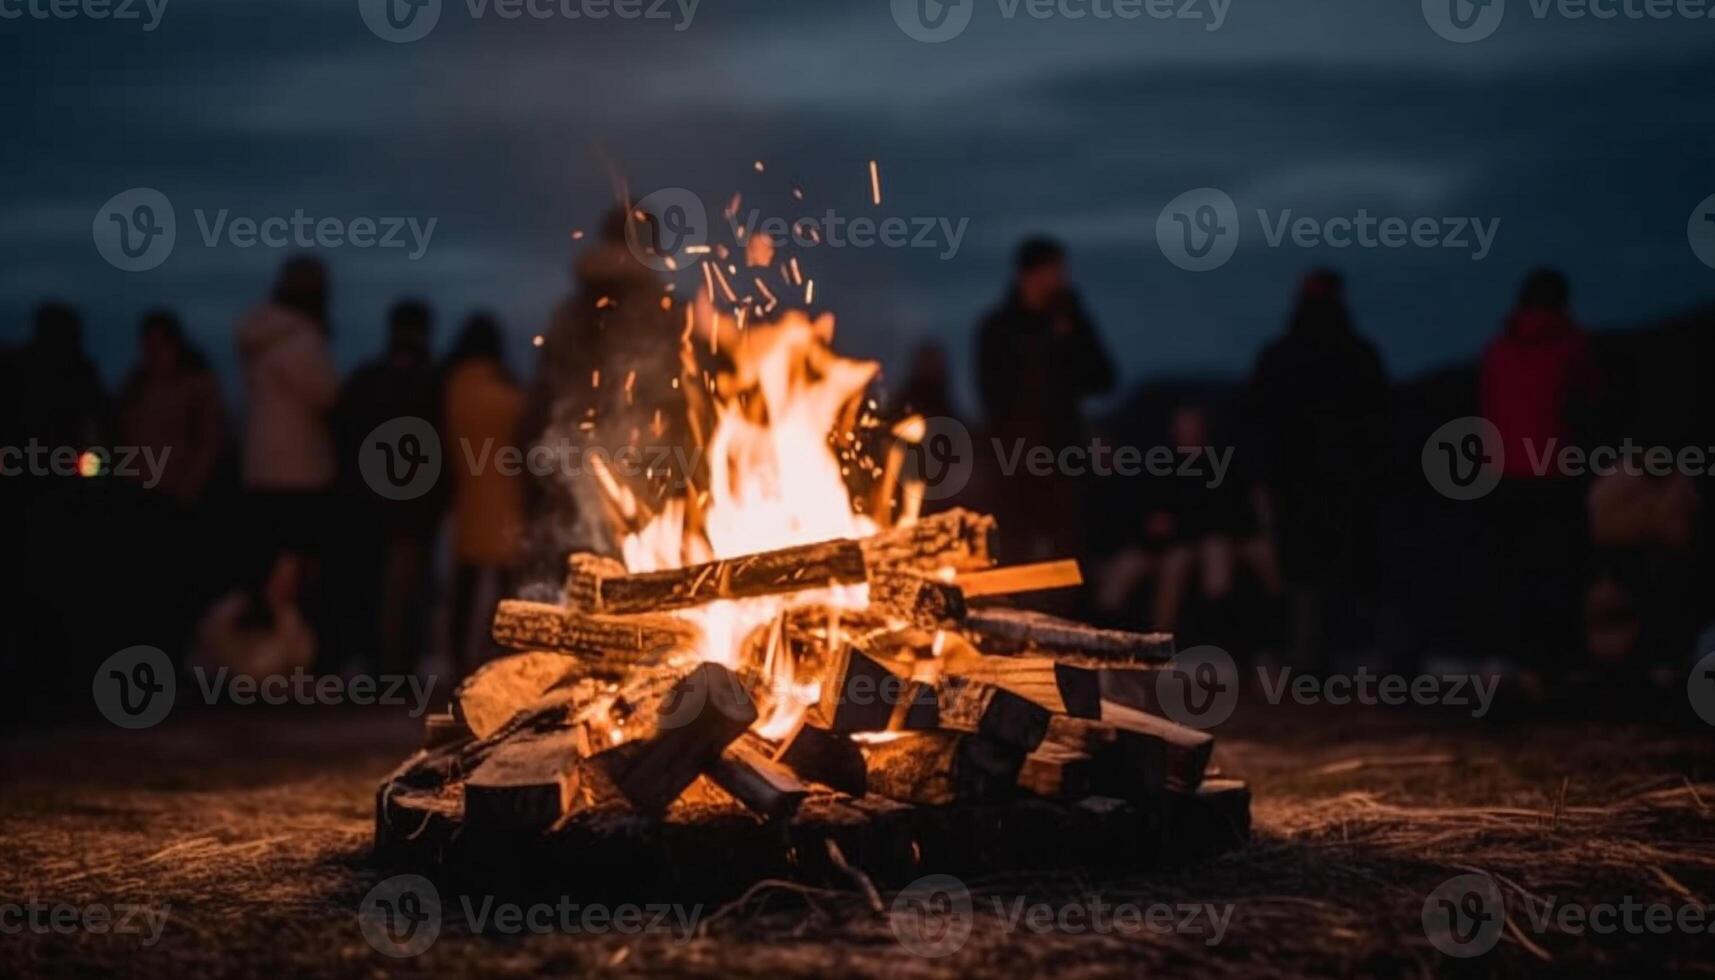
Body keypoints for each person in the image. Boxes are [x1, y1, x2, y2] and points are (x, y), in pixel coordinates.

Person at [1244, 269, 1391, 668]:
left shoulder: (1280, 356)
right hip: (1339, 482)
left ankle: (1316, 660)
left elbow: (1258, 421)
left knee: (1309, 575)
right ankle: (1338, 660)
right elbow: (1381, 421)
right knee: (1339, 573)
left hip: (1302, 483)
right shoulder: (1358, 354)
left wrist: (1263, 478)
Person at [1478, 268, 1601, 675]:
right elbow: (1590, 406)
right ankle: (1560, 662)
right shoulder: (1572, 347)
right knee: (1561, 570)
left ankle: (1520, 659)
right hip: (1555, 473)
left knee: (1515, 572)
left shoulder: (1499, 349)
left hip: (1505, 474)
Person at [975, 236, 1116, 564]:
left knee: (1069, 551)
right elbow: (991, 392)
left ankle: (1070, 609)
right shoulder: (998, 329)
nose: (1061, 279)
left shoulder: (1072, 322)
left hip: (1064, 455)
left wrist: (1070, 340)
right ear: (1030, 274)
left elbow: (1103, 378)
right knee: (1013, 550)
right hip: (1013, 459)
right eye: (1054, 271)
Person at [236, 256, 339, 664]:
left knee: (262, 575)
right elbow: (326, 394)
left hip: (258, 468)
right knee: (300, 574)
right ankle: (296, 658)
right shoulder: (303, 339)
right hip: (303, 471)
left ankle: (254, 659)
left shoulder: (254, 338)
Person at [334, 299, 443, 675]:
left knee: (370, 591)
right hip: (412, 510)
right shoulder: (432, 380)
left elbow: (343, 432)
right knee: (405, 594)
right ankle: (396, 670)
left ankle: (373, 665)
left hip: (366, 506)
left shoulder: (367, 378)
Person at [117, 310, 230, 651]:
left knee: (176, 582)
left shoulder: (197, 385)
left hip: (177, 494)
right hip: (139, 492)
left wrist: (191, 485)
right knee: (142, 582)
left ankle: (178, 654)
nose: (153, 352)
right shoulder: (136, 385)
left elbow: (210, 439)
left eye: (160, 344)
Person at [442, 313, 527, 680]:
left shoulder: (452, 387)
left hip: (466, 495)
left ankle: (458, 658)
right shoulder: (508, 394)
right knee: (507, 589)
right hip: (506, 496)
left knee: (465, 584)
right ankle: (503, 656)